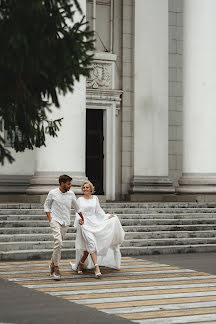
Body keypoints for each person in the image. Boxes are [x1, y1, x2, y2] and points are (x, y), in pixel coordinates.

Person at [70, 181, 125, 278]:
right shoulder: (79, 200)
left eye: (87, 187)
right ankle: (96, 268)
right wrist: (79, 220)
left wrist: (107, 216)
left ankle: (80, 264)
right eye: (84, 188)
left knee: (88, 249)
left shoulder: (95, 199)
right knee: (91, 244)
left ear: (91, 189)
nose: (85, 189)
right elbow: (77, 212)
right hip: (84, 224)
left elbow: (99, 211)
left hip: (95, 223)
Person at [44, 174, 84, 280]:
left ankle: (52, 264)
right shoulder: (53, 193)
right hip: (55, 220)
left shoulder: (71, 194)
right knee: (58, 242)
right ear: (62, 183)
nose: (70, 186)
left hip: (65, 222)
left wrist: (82, 218)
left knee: (58, 245)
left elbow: (77, 207)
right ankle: (56, 268)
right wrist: (50, 219)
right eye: (68, 184)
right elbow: (46, 206)